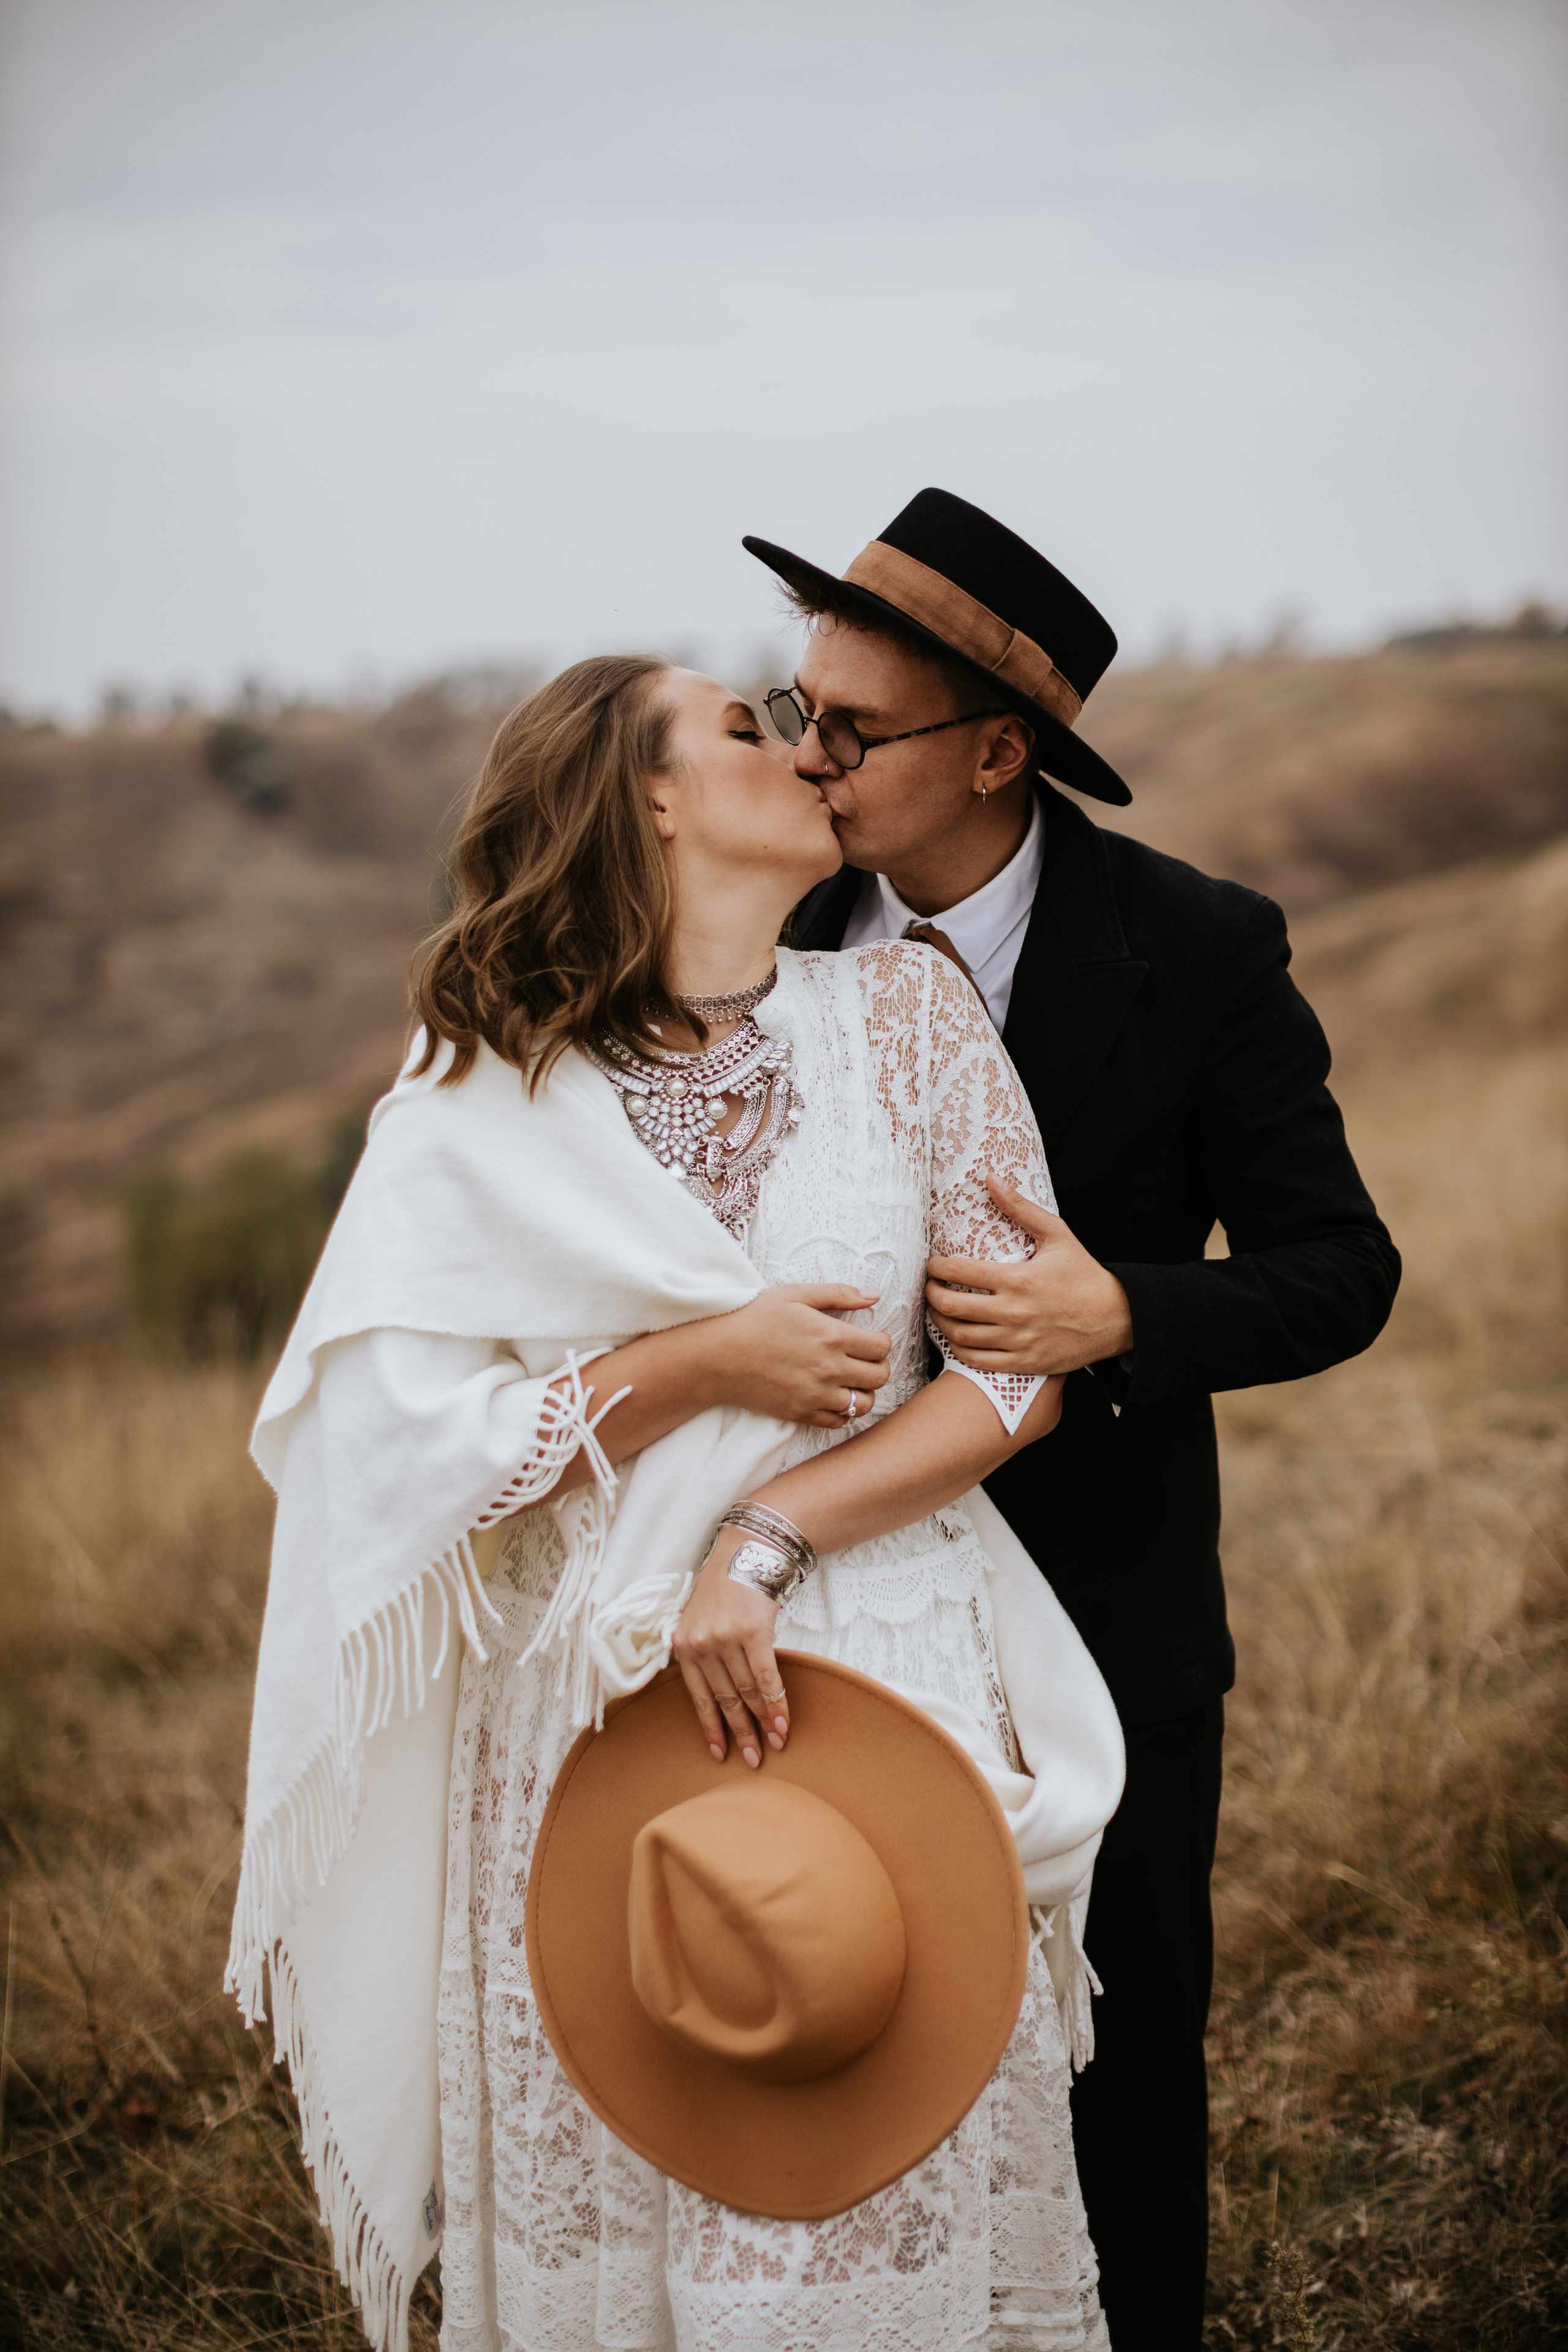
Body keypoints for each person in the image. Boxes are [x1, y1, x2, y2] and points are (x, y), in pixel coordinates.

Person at [228, 651, 1125, 2352]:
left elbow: (1018, 1376)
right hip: (593, 1707)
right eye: (744, 725)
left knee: (860, 2131)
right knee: (647, 2160)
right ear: (644, 798)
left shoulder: (906, 1015)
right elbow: (408, 1445)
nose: (804, 749)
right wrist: (706, 1363)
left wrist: (762, 1537)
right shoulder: (479, 1091)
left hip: (874, 1656)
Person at [747, 488, 1402, 2351]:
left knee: (1117, 2061)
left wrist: (1125, 1311)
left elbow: (1343, 1268)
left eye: (852, 732)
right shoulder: (763, 933)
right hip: (828, 1612)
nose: (809, 758)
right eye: (796, 712)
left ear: (999, 751)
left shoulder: (1201, 949)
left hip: (1108, 1615)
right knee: (844, 2049)